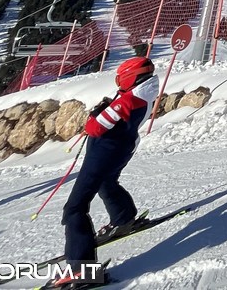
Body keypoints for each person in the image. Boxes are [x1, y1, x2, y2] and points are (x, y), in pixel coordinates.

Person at [57, 56, 159, 288]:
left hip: (104, 153)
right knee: (107, 183)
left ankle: (81, 269)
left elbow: (93, 128)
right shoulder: (145, 91)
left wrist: (97, 114)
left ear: (130, 77)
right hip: (122, 148)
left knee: (75, 207)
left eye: (120, 78)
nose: (118, 82)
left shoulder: (128, 100)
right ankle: (123, 218)